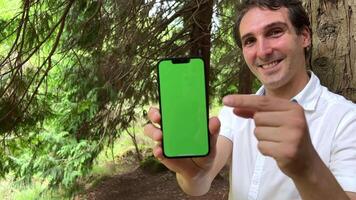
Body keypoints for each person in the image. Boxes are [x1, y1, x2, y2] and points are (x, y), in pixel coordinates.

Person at [144, 0, 356, 199]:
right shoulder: (234, 112)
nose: (262, 51)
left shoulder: (346, 120)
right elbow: (199, 185)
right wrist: (192, 172)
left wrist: (307, 168)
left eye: (275, 32)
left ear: (304, 36)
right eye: (250, 41)